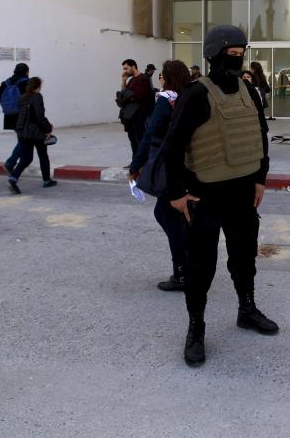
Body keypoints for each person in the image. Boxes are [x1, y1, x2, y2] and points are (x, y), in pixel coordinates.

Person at [162, 25, 278, 367]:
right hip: (205, 196)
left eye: (242, 54)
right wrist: (176, 193)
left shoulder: (249, 90)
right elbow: (172, 147)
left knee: (245, 257)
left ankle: (247, 309)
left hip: (243, 192)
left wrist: (260, 179)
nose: (238, 59)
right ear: (214, 55)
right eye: (232, 54)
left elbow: (260, 136)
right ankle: (196, 328)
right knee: (200, 267)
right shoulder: (196, 93)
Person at [128, 60, 191, 291]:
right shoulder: (190, 97)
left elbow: (150, 134)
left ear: (169, 78)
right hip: (189, 164)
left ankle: (182, 272)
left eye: (162, 76)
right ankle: (187, 260)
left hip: (168, 165)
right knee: (170, 215)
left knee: (168, 216)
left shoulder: (165, 100)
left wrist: (135, 165)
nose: (160, 80)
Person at [7, 77, 56, 193]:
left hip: (23, 132)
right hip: (36, 132)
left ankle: (13, 178)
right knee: (43, 156)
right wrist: (48, 128)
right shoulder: (37, 97)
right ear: (38, 86)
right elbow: (39, 116)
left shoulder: (22, 97)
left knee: (26, 158)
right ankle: (46, 180)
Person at [117, 59, 154, 161]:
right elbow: (123, 94)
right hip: (130, 117)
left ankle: (142, 163)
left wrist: (127, 96)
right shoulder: (132, 80)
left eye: (126, 68)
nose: (125, 71)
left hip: (140, 116)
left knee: (140, 140)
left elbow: (137, 97)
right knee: (133, 141)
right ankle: (135, 162)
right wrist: (123, 80)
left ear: (133, 66)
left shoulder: (143, 79)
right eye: (124, 69)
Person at [0, 63, 30, 177]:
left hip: (9, 115)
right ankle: (11, 163)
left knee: (21, 138)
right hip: (22, 115)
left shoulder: (6, 82)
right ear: (26, 71)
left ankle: (21, 162)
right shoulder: (26, 83)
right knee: (24, 140)